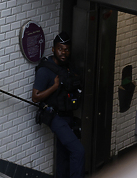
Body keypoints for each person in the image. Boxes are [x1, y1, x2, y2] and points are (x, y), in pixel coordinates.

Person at [32, 32, 84, 178]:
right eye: (60, 49)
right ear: (53, 49)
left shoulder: (68, 68)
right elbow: (35, 97)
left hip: (68, 116)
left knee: (63, 153)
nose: (64, 52)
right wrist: (54, 87)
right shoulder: (45, 70)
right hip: (55, 116)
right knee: (78, 150)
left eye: (67, 49)